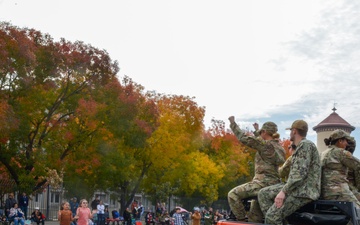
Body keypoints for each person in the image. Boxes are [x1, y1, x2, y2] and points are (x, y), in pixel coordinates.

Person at [258, 119, 321, 225]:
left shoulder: (305, 145)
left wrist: (283, 192)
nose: (290, 133)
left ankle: (274, 218)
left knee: (271, 217)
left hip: (304, 191)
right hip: (298, 188)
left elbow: (298, 175)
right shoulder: (302, 146)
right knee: (263, 194)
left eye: (291, 131)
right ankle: (280, 219)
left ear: (294, 131)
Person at [227, 116, 286, 222]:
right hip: (274, 185)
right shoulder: (279, 148)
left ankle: (241, 220)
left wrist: (233, 123)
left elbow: (244, 138)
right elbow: (260, 142)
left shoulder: (265, 145)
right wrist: (257, 131)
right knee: (255, 218)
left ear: (264, 132)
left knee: (233, 194)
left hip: (261, 183)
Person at [320, 129, 360, 206]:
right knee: (358, 210)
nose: (347, 144)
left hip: (324, 193)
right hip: (340, 193)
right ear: (340, 141)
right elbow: (357, 165)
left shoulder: (322, 154)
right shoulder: (340, 153)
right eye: (345, 141)